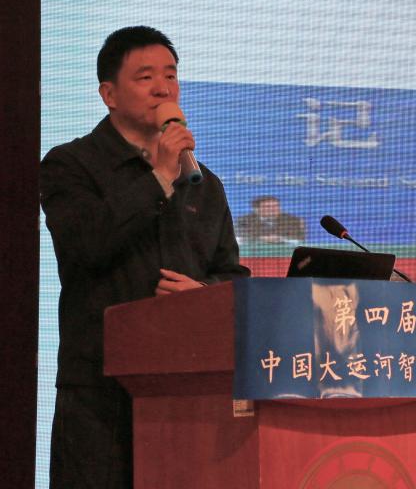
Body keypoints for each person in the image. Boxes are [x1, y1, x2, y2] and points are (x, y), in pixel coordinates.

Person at [40, 26, 250, 489]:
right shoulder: (70, 165)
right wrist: (158, 177)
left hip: (189, 392)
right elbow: (86, 245)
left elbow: (231, 273)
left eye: (171, 76)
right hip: (101, 394)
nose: (163, 88)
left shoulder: (203, 182)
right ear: (109, 94)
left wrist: (204, 294)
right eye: (146, 77)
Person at [236, 195, 306, 244]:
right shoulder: (244, 221)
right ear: (257, 209)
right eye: (268, 207)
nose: (273, 209)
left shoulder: (292, 220)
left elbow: (300, 239)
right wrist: (261, 239)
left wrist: (281, 239)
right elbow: (239, 239)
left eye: (276, 206)